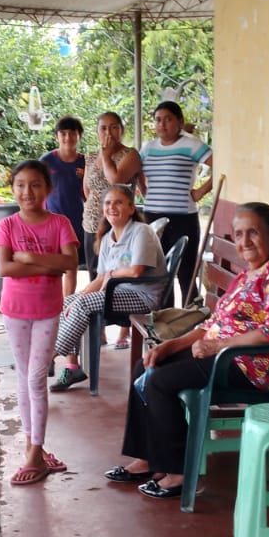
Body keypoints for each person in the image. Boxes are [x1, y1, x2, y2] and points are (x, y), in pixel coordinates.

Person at [107, 202, 269, 500]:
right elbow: (211, 326)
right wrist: (169, 346)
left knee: (160, 382)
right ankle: (148, 458)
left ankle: (178, 473)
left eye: (253, 233)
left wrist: (217, 346)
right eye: (239, 234)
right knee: (148, 365)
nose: (244, 241)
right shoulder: (248, 275)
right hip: (227, 356)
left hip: (256, 365)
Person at [0, 160, 78, 485]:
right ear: (13, 189)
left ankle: (36, 452)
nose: (28, 192)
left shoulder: (60, 223)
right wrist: (48, 266)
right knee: (24, 378)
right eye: (21, 185)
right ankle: (33, 448)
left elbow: (71, 262)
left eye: (35, 185)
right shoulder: (7, 226)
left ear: (48, 189)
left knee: (37, 378)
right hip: (14, 310)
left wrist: (28, 257)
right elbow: (5, 268)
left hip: (47, 311)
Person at [49, 184, 165, 391]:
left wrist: (111, 275)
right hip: (118, 293)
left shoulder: (141, 231)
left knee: (83, 304)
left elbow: (136, 271)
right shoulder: (107, 238)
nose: (112, 207)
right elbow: (100, 277)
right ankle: (72, 366)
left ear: (131, 208)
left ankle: (49, 356)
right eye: (108, 203)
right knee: (67, 302)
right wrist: (79, 296)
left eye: (118, 202)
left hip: (143, 296)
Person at [140, 99, 213, 303]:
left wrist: (200, 192)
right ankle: (165, 316)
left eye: (168, 119)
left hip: (183, 218)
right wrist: (145, 191)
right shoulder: (148, 148)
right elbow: (137, 172)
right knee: (158, 272)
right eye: (158, 120)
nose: (162, 124)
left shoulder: (192, 145)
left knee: (185, 271)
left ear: (180, 121)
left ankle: (191, 317)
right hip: (152, 217)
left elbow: (220, 164)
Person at [81, 111, 141, 283]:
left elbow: (116, 181)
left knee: (113, 275)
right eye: (103, 128)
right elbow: (87, 189)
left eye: (114, 127)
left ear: (122, 130)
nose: (108, 133)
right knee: (94, 275)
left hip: (116, 225)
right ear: (97, 132)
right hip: (92, 224)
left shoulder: (130, 155)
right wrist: (95, 210)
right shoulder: (91, 157)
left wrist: (106, 156)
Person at [40, 116, 87, 297]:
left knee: (71, 267)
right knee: (50, 267)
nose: (68, 138)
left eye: (72, 133)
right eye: (63, 133)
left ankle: (66, 304)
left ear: (79, 136)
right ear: (56, 136)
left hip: (76, 223)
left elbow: (88, 194)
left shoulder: (85, 162)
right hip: (50, 223)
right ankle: (49, 302)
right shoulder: (46, 161)